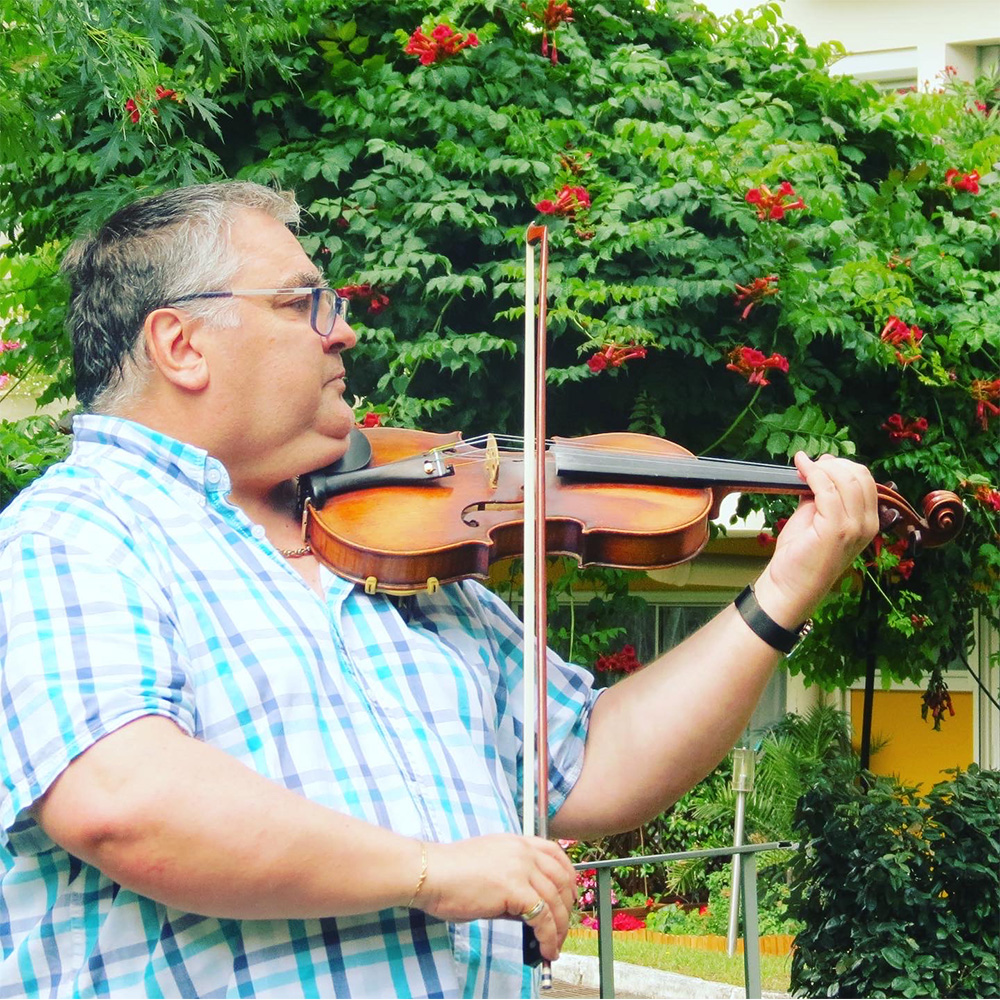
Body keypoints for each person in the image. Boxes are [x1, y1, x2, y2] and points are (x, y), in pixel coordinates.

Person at [0, 181, 879, 999]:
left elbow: (592, 764)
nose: (341, 331)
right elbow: (125, 801)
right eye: (304, 303)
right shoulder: (75, 533)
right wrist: (435, 870)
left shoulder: (387, 549)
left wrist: (780, 592)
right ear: (182, 345)